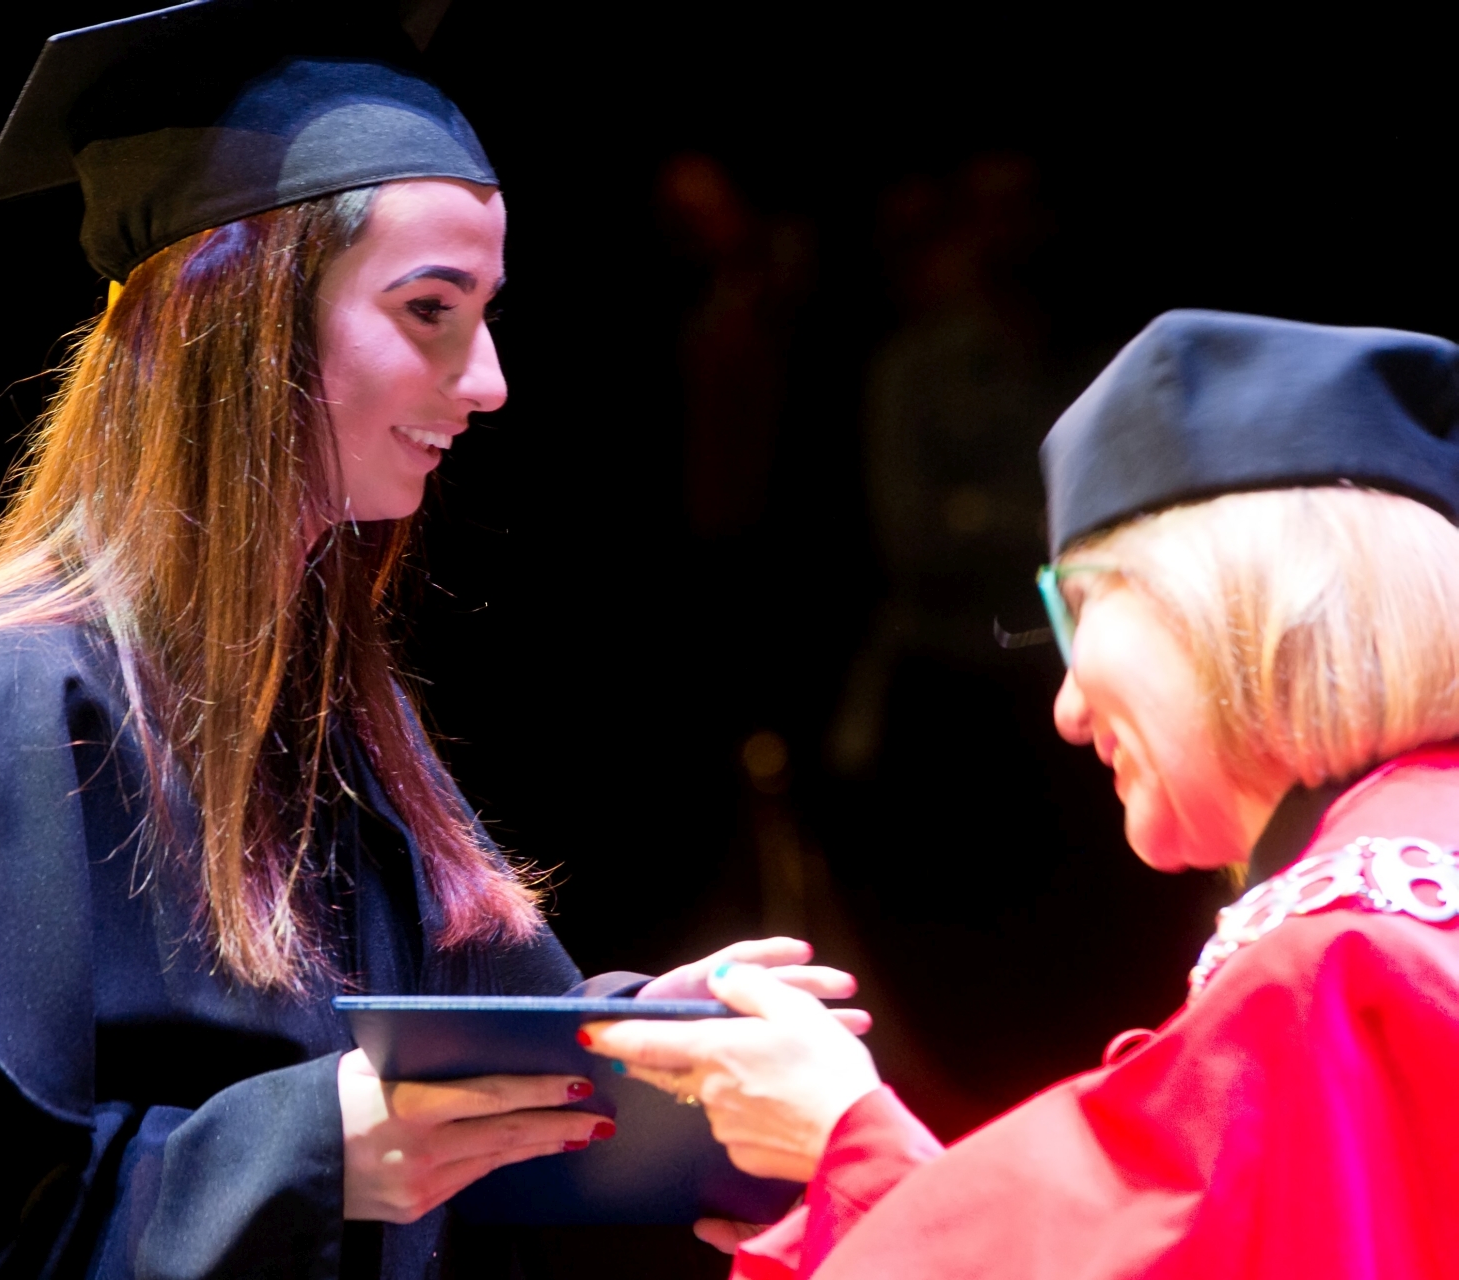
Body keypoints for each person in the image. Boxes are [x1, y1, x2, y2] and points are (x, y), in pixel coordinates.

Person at [0, 6, 838, 1278]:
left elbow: (434, 1059)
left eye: (486, 311)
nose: (490, 380)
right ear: (242, 323)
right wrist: (313, 1148)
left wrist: (636, 1042)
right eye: (429, 308)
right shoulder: (12, 704)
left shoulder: (315, 704)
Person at [585, 309, 1459, 1279]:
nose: (1070, 708)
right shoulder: (1405, 896)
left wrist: (846, 1144)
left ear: (1237, 601)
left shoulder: (1345, 959)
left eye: (1080, 607)